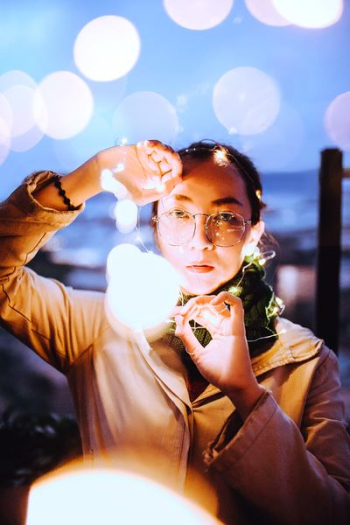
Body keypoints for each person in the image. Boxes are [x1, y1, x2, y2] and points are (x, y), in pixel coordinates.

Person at [0, 139, 349, 524]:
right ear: (155, 227)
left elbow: (333, 512)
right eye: (180, 214)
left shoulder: (307, 359)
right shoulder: (100, 327)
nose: (201, 241)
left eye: (226, 217)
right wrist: (97, 171)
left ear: (253, 232)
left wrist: (245, 392)